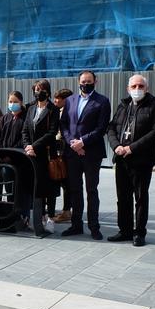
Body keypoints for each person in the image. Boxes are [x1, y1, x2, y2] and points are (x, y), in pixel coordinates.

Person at [106, 75, 155, 246]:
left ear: (146, 89)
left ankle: (139, 233)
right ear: (128, 88)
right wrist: (116, 146)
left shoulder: (154, 107)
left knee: (140, 198)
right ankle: (124, 230)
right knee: (122, 197)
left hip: (141, 159)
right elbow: (111, 127)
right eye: (134, 86)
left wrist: (132, 148)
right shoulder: (123, 105)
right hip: (121, 158)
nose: (137, 89)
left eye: (140, 86)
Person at [60, 73, 111, 240]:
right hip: (72, 153)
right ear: (78, 82)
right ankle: (76, 225)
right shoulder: (70, 100)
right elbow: (64, 125)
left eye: (89, 82)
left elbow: (101, 128)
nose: (86, 84)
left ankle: (94, 226)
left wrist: (82, 142)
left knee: (91, 190)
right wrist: (73, 143)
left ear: (95, 82)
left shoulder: (102, 101)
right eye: (83, 82)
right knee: (74, 190)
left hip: (91, 153)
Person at [22, 81, 60, 234]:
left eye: (42, 90)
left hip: (46, 154)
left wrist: (34, 146)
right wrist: (27, 146)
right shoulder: (30, 109)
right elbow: (25, 130)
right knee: (37, 187)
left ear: (48, 92)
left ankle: (50, 217)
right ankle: (41, 216)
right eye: (37, 90)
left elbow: (51, 133)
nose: (39, 92)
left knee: (49, 187)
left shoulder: (53, 110)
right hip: (31, 155)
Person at [50, 89, 73, 223]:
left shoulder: (69, 113)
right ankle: (65, 210)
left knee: (66, 182)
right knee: (62, 181)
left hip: (66, 152)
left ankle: (66, 211)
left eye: (58, 98)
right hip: (59, 151)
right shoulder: (58, 111)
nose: (55, 101)